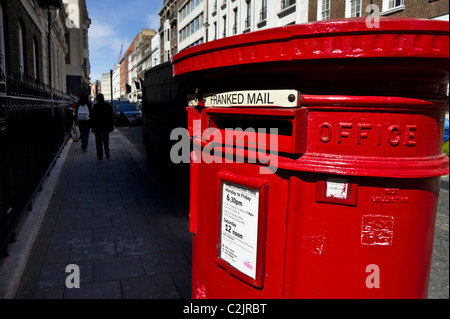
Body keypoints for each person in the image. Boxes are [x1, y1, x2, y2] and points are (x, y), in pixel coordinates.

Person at [90, 93, 114, 160]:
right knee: (106, 139)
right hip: (106, 126)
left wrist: (92, 126)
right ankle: (107, 150)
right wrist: (111, 125)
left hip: (97, 126)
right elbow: (110, 116)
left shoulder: (95, 106)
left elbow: (92, 117)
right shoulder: (107, 105)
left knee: (98, 141)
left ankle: (100, 155)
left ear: (97, 99)